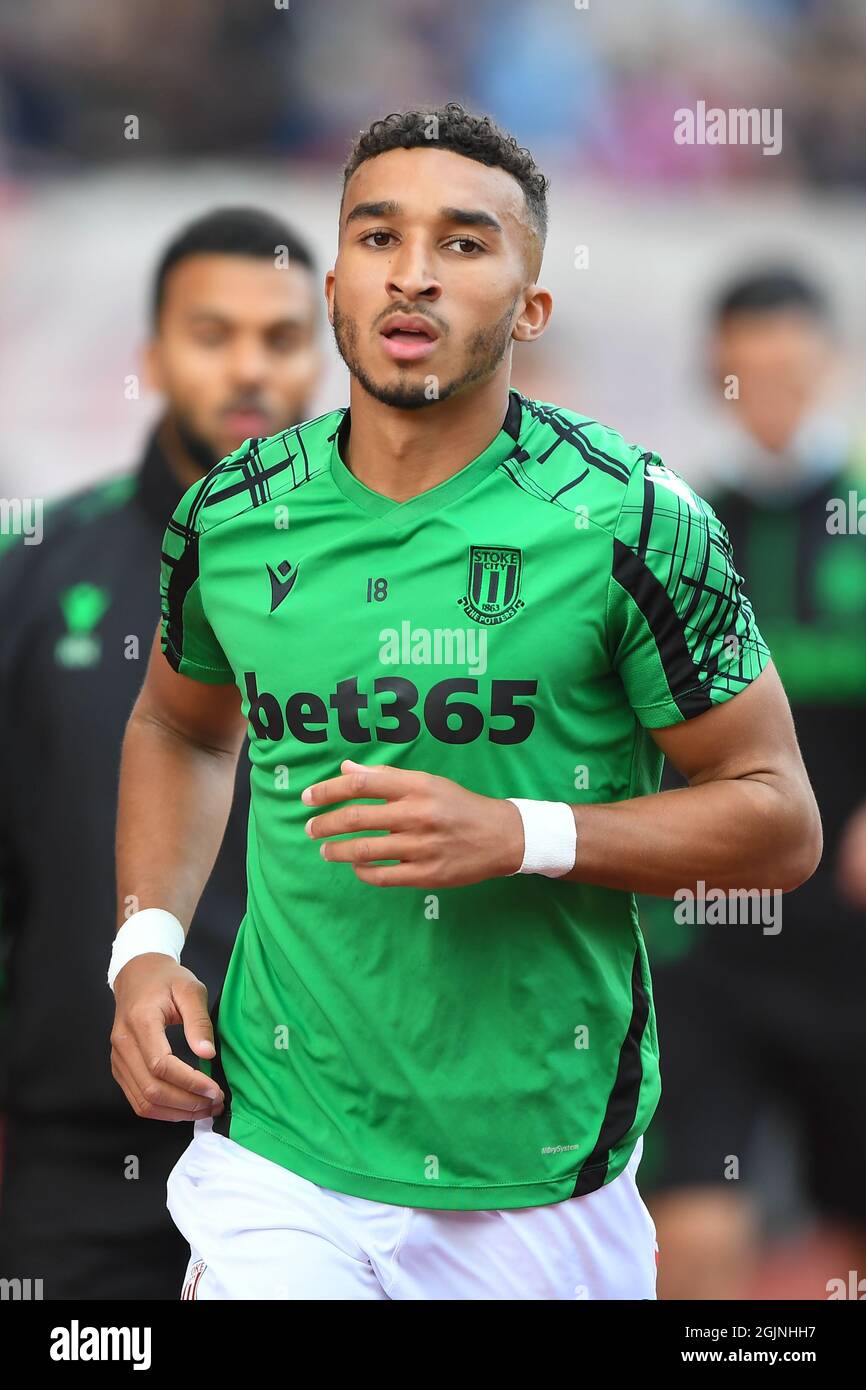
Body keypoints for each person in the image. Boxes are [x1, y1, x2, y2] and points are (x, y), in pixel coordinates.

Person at [110, 105, 821, 1301]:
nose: (413, 273)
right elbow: (180, 726)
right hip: (278, 1157)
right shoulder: (229, 516)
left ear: (529, 307)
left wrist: (523, 835)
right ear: (335, 283)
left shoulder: (637, 520)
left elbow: (777, 817)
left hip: (540, 1180)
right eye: (379, 236)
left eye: (465, 243)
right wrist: (142, 949)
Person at [0, 206, 322, 1299]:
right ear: (149, 355)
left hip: (326, 1155)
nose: (247, 367)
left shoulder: (397, 586)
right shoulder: (33, 573)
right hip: (80, 1155)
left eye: (279, 338)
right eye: (211, 332)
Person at [644, 268, 866, 1300]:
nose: (768, 388)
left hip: (848, 945)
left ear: (825, 364)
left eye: (788, 364)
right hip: (706, 944)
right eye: (746, 369)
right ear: (713, 373)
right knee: (691, 1240)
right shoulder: (675, 530)